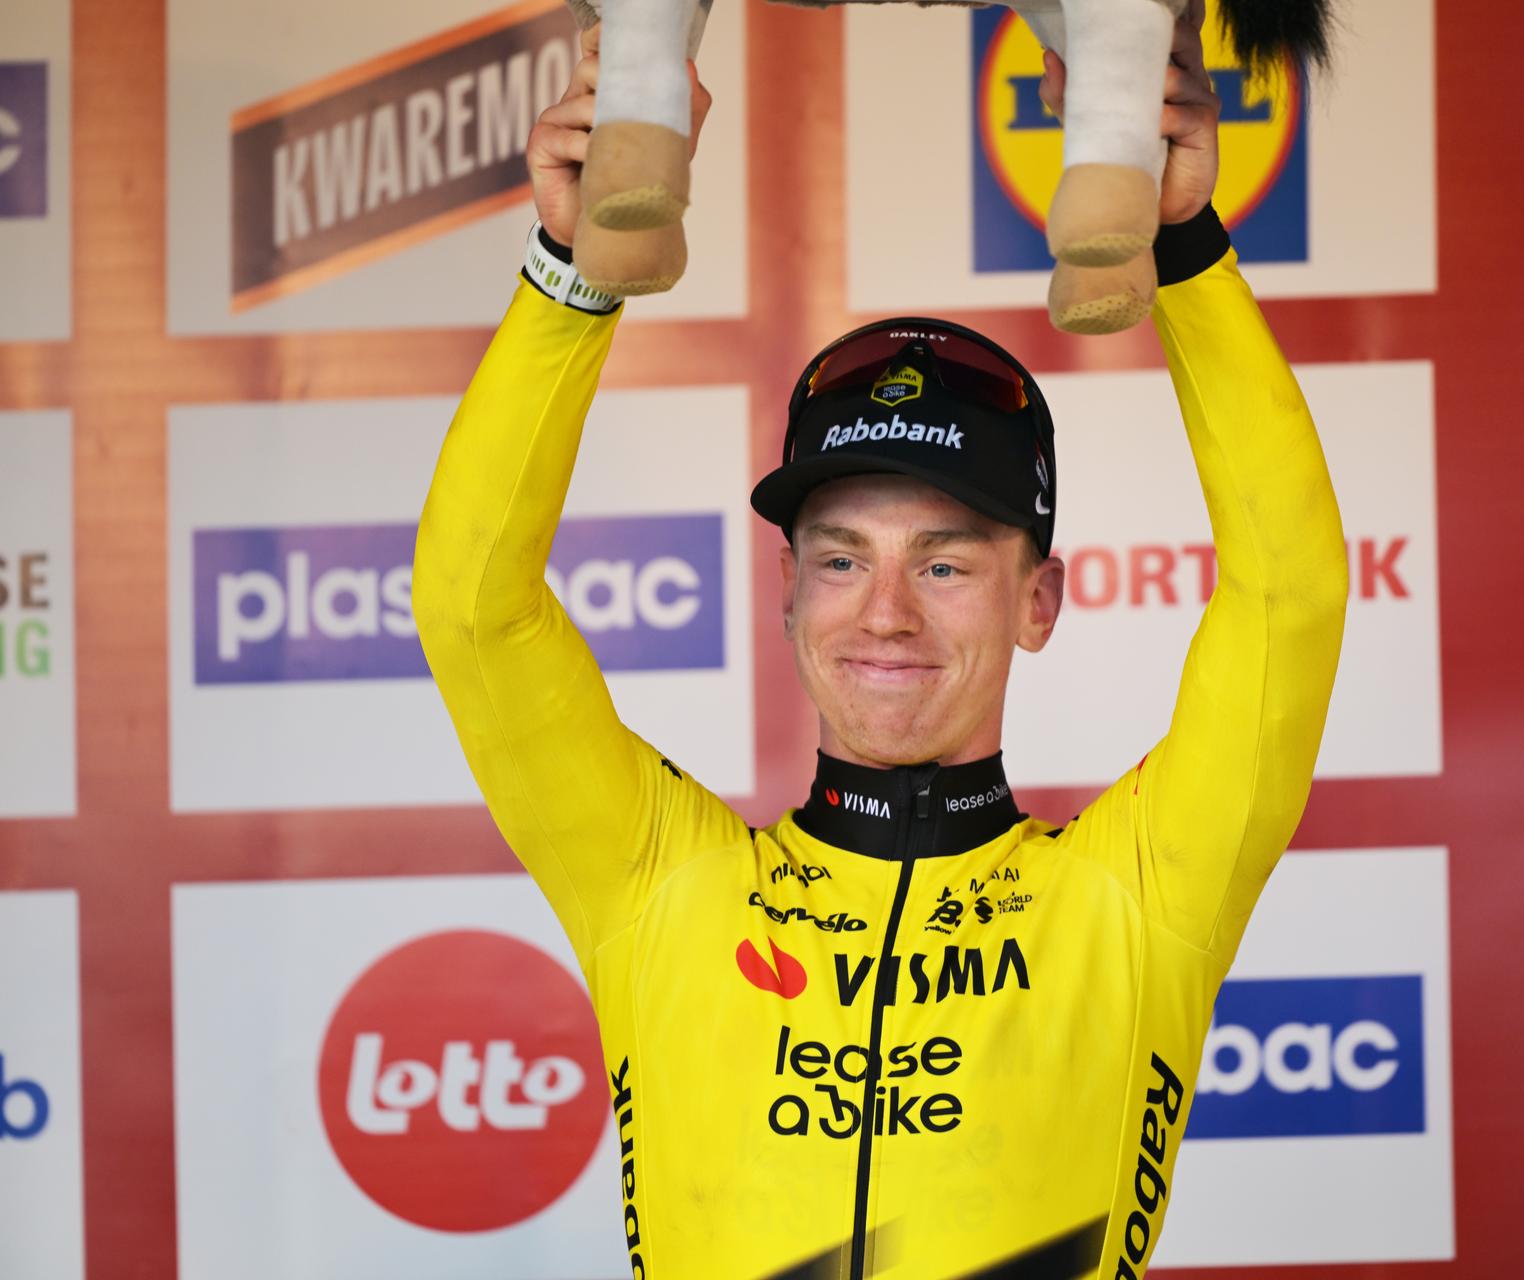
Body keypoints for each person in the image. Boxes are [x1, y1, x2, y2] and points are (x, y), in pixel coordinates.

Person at [413, 3, 1347, 1275]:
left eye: (948, 561)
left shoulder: (1139, 898)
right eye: (843, 558)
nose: (888, 611)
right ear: (789, 592)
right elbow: (475, 611)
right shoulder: (659, 883)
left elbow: (1287, 594)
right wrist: (570, 275)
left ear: (1039, 601)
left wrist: (1179, 248)